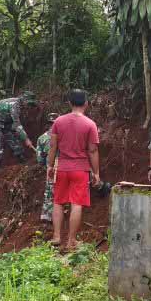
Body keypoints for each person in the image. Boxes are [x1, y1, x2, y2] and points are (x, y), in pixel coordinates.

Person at [46, 89, 100, 250]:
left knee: (58, 201)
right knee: (77, 203)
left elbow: (53, 146)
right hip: (80, 170)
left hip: (61, 167)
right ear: (86, 104)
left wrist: (50, 165)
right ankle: (71, 241)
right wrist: (96, 172)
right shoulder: (90, 124)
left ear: (69, 103)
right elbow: (92, 151)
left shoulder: (58, 122)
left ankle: (56, 237)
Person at [0, 91, 38, 170]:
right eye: (29, 104)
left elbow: (16, 125)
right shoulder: (15, 105)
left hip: (5, 119)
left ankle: (21, 157)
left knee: (12, 136)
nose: (29, 107)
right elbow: (17, 125)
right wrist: (26, 139)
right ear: (24, 100)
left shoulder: (21, 105)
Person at [35, 113, 59, 223]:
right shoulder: (65, 136)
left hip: (52, 168)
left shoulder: (41, 138)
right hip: (66, 166)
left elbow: (40, 159)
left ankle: (47, 216)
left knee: (50, 192)